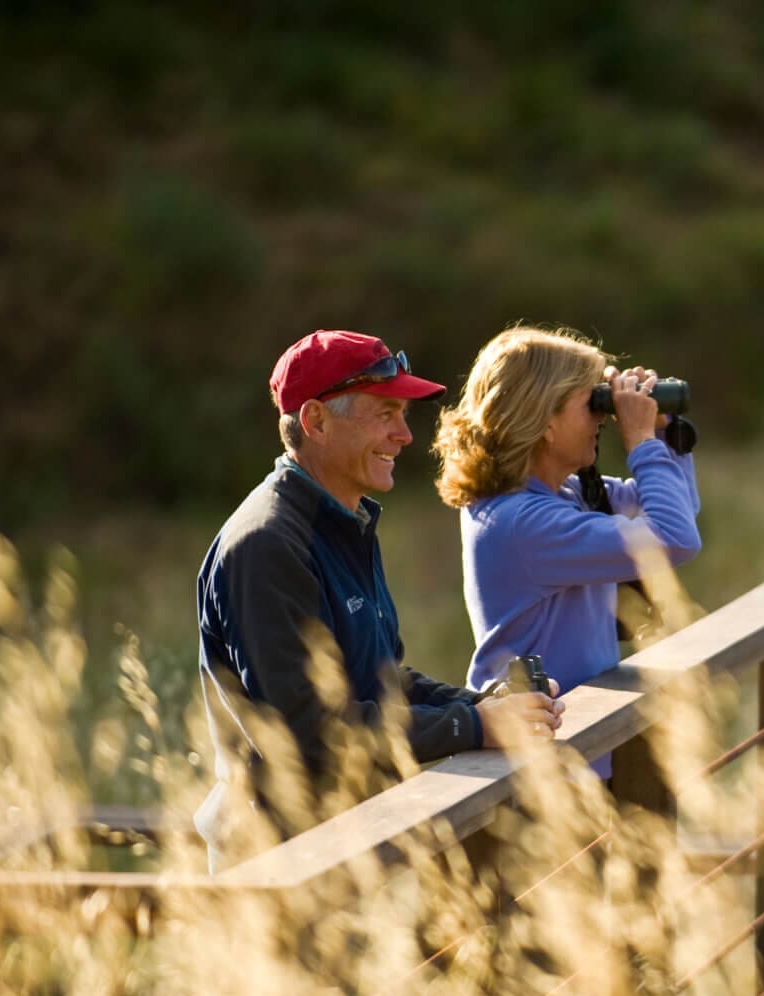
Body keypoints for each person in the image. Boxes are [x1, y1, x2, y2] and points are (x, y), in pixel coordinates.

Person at [193, 329, 562, 863]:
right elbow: (310, 733)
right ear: (316, 421)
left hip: (348, 846)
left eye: (403, 416)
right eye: (385, 414)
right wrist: (475, 726)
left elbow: (382, 681)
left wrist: (483, 706)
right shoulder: (266, 544)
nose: (405, 436)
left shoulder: (345, 520)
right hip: (280, 865)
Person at [430, 325, 701, 716]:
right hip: (549, 756)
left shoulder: (559, 493)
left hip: (580, 740)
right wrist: (640, 441)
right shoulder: (524, 522)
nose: (602, 418)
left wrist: (664, 430)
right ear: (545, 421)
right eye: (590, 403)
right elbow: (675, 538)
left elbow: (679, 510)